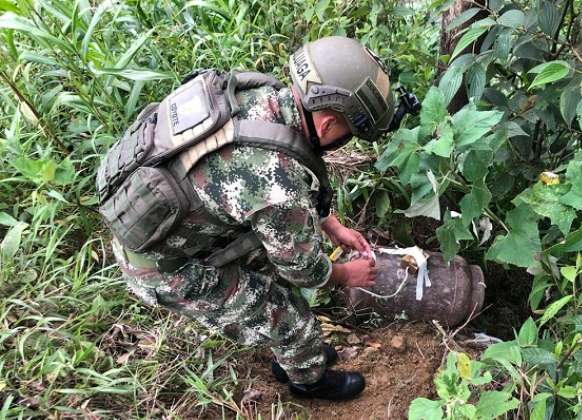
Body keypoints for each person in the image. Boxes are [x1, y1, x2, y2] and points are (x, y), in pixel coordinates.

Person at [97, 36, 409, 400]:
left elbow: (280, 181)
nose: (346, 140)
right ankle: (308, 380)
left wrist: (332, 225)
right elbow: (304, 270)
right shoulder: (276, 180)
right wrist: (343, 275)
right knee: (289, 316)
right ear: (325, 126)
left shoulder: (264, 97)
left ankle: (294, 356)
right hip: (164, 268)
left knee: (271, 274)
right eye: (347, 132)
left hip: (176, 223)